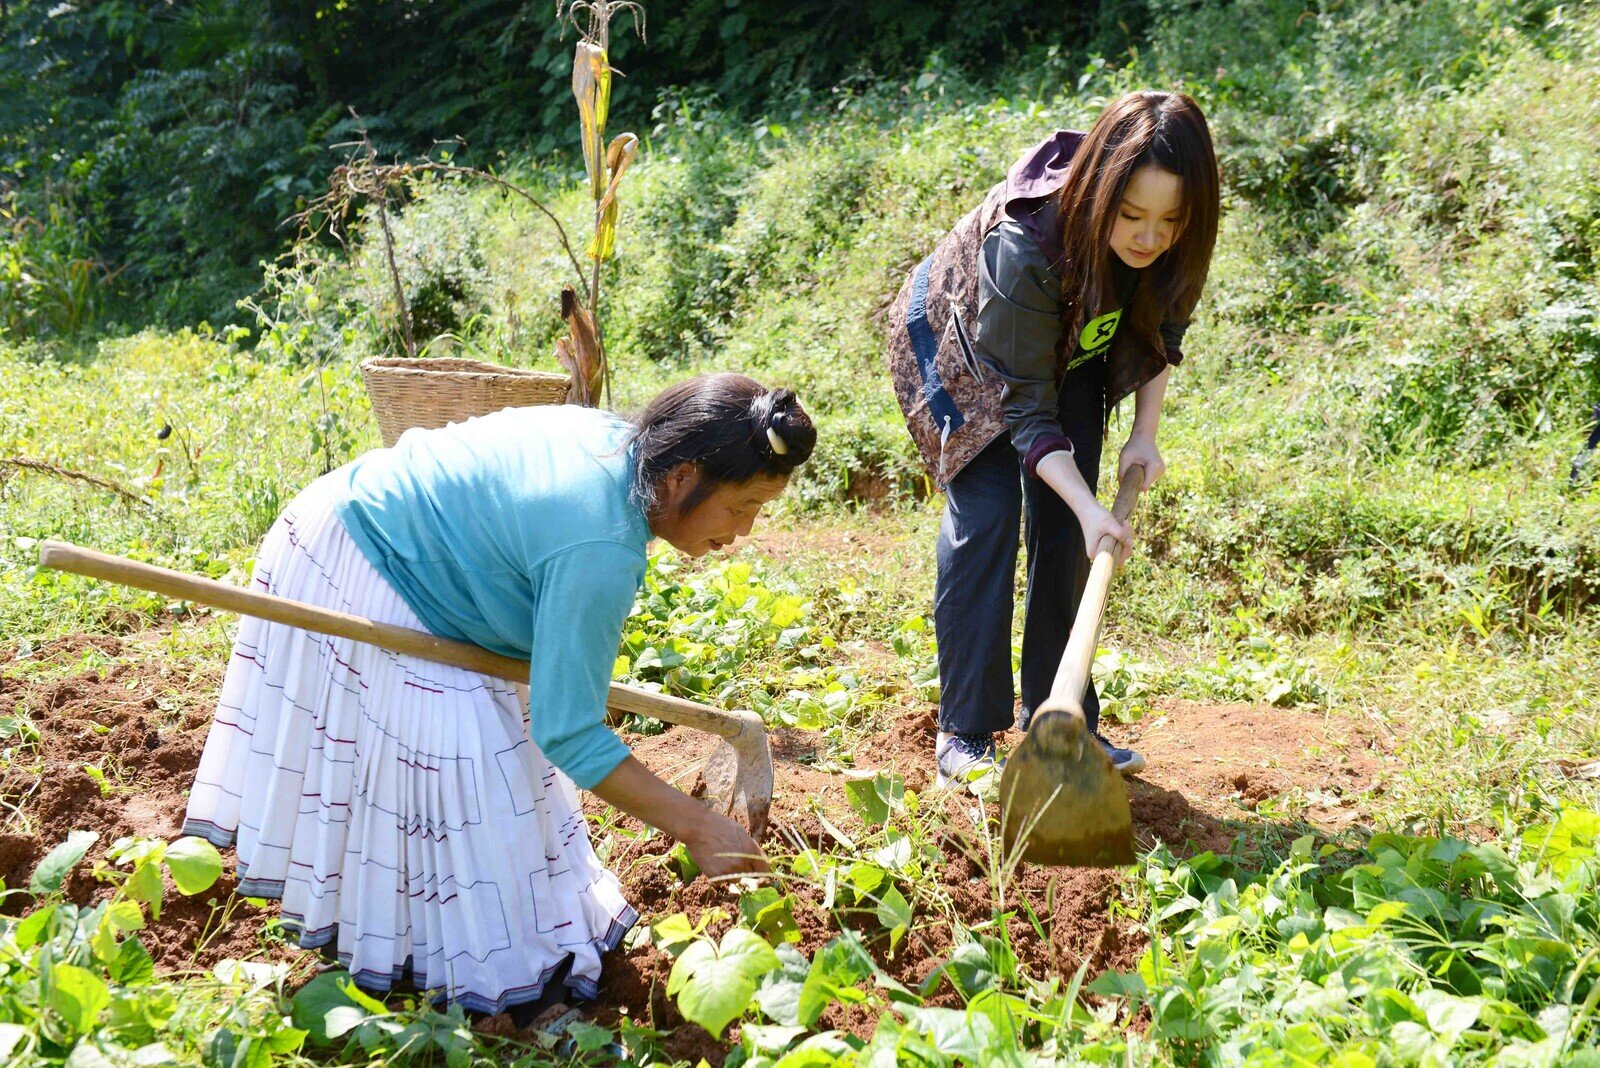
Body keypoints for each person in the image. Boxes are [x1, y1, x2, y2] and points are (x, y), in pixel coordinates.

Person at [181, 373, 815, 1016]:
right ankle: (458, 985)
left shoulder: (621, 449)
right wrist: (698, 826)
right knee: (466, 786)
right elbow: (568, 733)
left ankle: (426, 947)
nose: (744, 531)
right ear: (682, 477)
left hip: (381, 532)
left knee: (492, 780)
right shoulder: (598, 543)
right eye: (740, 509)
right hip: (364, 558)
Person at [884, 91, 1220, 786]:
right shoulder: (1025, 243)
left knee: (1071, 530)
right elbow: (1027, 410)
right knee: (989, 517)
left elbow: (1165, 327)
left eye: (1168, 221)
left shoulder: (1170, 241)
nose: (1149, 238)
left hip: (1070, 341)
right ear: (1101, 195)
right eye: (1130, 217)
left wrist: (1144, 436)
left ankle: (1060, 719)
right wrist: (1089, 502)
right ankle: (965, 734)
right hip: (962, 343)